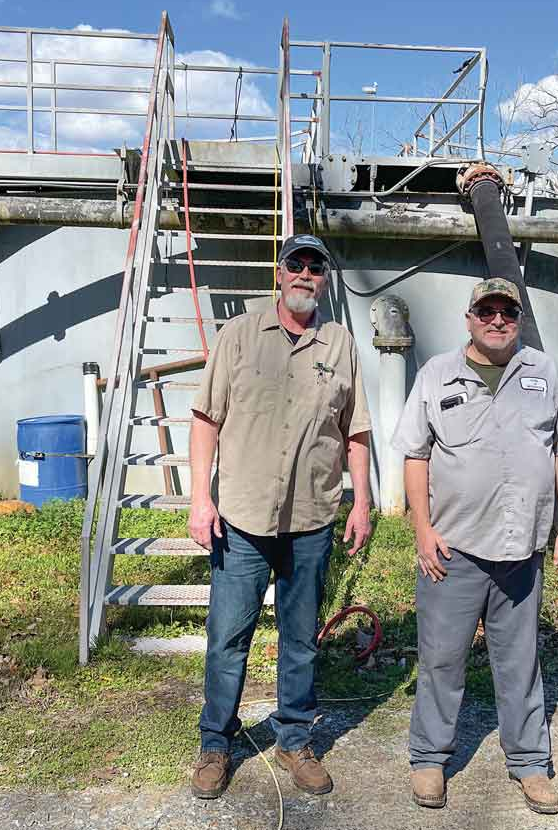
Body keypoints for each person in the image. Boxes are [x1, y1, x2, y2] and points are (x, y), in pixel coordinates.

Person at [391, 277, 558, 815]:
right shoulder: (437, 374)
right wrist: (423, 530)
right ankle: (430, 758)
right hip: (452, 550)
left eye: (507, 312)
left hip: (521, 548)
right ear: (470, 317)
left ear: (518, 319)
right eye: (487, 311)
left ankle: (529, 762)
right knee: (441, 659)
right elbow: (415, 455)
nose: (497, 320)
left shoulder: (544, 373)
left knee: (520, 661)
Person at [186, 234, 373, 800]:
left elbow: (355, 432)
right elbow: (205, 420)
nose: (305, 274)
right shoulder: (239, 336)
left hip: (312, 518)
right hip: (241, 517)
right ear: (280, 271)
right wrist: (200, 497)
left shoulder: (340, 345)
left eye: (316, 267)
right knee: (228, 638)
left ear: (323, 281)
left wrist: (361, 500)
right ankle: (216, 743)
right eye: (297, 263)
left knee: (300, 639)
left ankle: (295, 739)